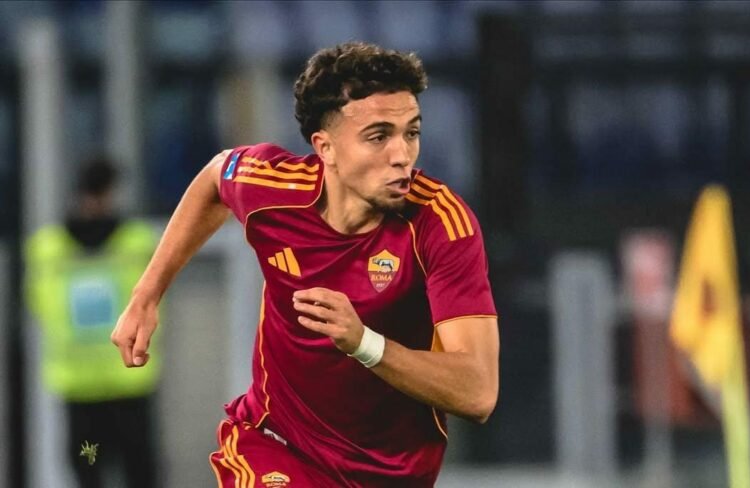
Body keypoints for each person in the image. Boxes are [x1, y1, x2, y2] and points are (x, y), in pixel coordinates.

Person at [111, 41, 499, 487]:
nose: (402, 156)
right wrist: (146, 295)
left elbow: (478, 392)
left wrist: (364, 343)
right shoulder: (273, 189)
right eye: (378, 136)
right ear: (325, 147)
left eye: (411, 133)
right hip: (277, 443)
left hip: (393, 473)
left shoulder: (441, 225)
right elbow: (216, 177)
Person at [25, 158, 160, 488]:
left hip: (84, 384)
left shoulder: (47, 248)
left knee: (90, 466)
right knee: (134, 468)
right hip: (125, 377)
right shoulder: (138, 242)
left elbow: (37, 303)